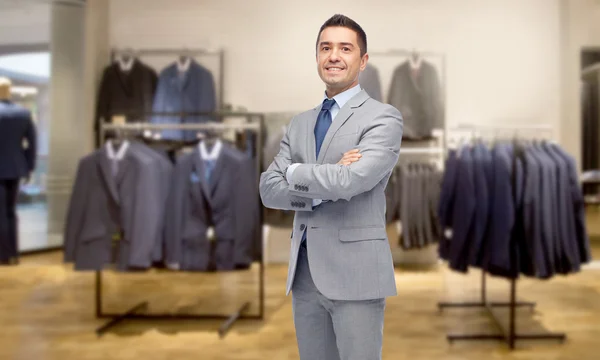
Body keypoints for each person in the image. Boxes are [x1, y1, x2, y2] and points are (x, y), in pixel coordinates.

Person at [259, 14, 403, 360]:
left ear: (362, 60)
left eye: (345, 48)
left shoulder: (383, 117)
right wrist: (326, 178)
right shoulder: (299, 123)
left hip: (356, 275)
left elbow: (353, 180)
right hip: (306, 277)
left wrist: (293, 171)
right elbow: (268, 189)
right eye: (326, 48)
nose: (333, 56)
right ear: (317, 57)